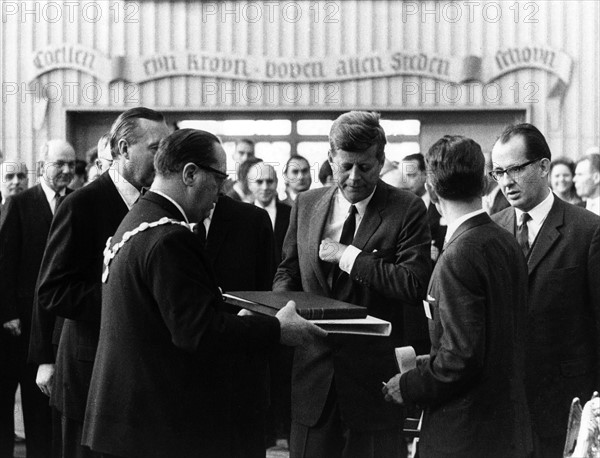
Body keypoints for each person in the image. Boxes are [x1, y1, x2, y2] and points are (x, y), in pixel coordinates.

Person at [81, 128, 326, 458]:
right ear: (190, 173)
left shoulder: (139, 219)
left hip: (126, 418)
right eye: (218, 178)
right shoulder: (171, 237)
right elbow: (195, 332)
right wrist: (277, 329)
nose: (221, 191)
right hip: (154, 424)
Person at [273, 111, 432, 458]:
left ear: (381, 160)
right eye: (346, 166)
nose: (355, 177)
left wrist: (349, 257)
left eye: (365, 166)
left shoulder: (407, 209)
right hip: (311, 382)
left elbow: (413, 284)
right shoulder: (306, 204)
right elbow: (288, 270)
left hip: (374, 388)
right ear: (330, 159)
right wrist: (284, 308)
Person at [382, 135, 532, 458]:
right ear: (482, 181)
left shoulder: (457, 256)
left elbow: (462, 358)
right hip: (507, 431)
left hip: (463, 437)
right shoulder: (507, 241)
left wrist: (408, 386)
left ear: (432, 191)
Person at [35, 107, 170, 458]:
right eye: (157, 148)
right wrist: (124, 300)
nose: (165, 157)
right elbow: (52, 291)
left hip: (140, 377)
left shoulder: (158, 207)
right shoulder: (81, 205)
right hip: (88, 377)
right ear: (123, 149)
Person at [491, 123, 600, 458]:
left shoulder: (587, 230)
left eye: (515, 169)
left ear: (543, 167)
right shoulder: (493, 228)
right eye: (498, 172)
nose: (506, 181)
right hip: (505, 404)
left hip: (567, 400)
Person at [0, 140, 75, 458]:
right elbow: (4, 262)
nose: (67, 171)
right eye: (60, 164)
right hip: (20, 324)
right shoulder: (20, 203)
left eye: (71, 165)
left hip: (58, 323)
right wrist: (8, 312)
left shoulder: (77, 202)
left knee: (43, 408)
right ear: (43, 165)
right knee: (10, 401)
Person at [204, 193, 277, 458]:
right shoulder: (162, 219)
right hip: (182, 382)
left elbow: (269, 293)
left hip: (241, 377)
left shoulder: (252, 220)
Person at [247, 161, 291, 260]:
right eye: (259, 182)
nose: (265, 187)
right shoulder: (242, 216)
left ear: (276, 182)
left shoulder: (291, 214)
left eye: (270, 181)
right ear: (249, 185)